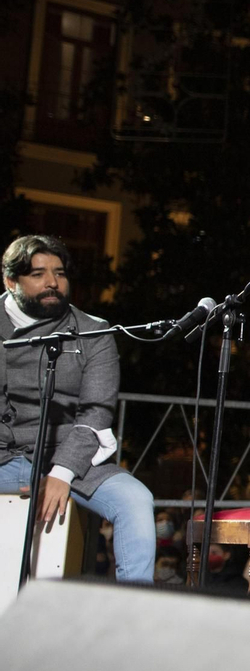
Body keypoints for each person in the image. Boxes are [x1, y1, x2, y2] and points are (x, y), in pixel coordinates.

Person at [0, 234, 156, 583]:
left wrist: (61, 473)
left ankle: (135, 620)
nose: (53, 283)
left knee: (135, 500)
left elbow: (96, 412)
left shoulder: (93, 332)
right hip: (3, 456)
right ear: (11, 281)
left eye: (60, 273)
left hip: (69, 457)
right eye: (38, 274)